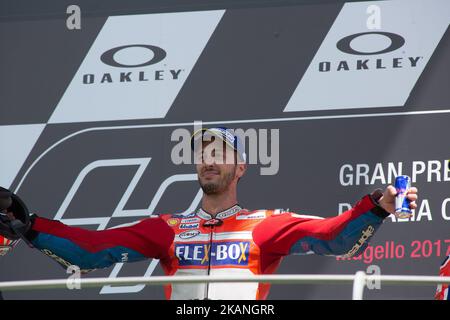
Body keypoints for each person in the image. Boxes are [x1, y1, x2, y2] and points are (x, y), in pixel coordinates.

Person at [0, 127, 418, 300]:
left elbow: (333, 237)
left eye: (220, 153)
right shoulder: (168, 229)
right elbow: (91, 251)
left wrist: (374, 209)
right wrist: (29, 225)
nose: (209, 160)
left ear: (240, 168)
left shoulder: (265, 225)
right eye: (203, 153)